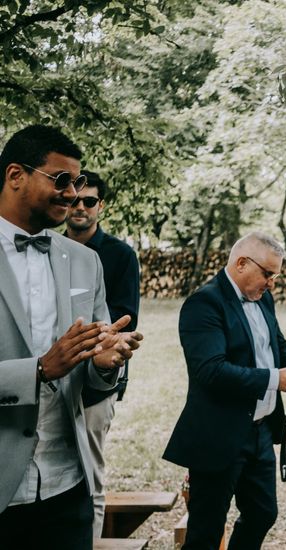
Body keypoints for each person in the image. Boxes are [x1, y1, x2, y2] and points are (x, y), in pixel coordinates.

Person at [0, 125, 143, 549]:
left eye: (78, 182)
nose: (71, 193)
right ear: (15, 176)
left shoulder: (85, 262)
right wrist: (39, 370)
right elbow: (48, 367)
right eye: (60, 180)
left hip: (68, 484)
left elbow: (94, 376)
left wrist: (103, 364)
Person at [162, 232, 286, 550]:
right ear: (242, 263)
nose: (272, 283)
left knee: (263, 513)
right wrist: (276, 379)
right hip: (218, 434)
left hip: (260, 432)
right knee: (206, 531)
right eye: (268, 274)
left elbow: (276, 344)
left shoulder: (264, 299)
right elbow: (210, 371)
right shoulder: (203, 304)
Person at [64, 169, 141, 537]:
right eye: (74, 199)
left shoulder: (120, 255)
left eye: (89, 200)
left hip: (96, 382)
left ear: (100, 206)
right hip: (53, 380)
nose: (80, 207)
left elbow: (123, 320)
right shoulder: (50, 247)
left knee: (90, 476)